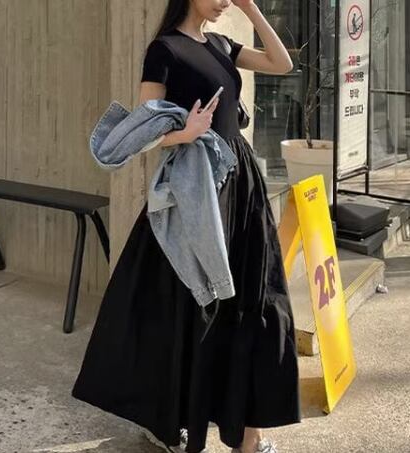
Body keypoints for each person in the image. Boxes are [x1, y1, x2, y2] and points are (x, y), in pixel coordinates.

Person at [71, 1, 301, 452]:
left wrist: (252, 10)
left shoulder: (221, 45)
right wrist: (185, 133)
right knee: (183, 308)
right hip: (196, 192)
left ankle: (248, 434)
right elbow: (142, 131)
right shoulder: (164, 50)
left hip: (241, 185)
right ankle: (170, 418)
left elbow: (282, 64)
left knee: (252, 301)